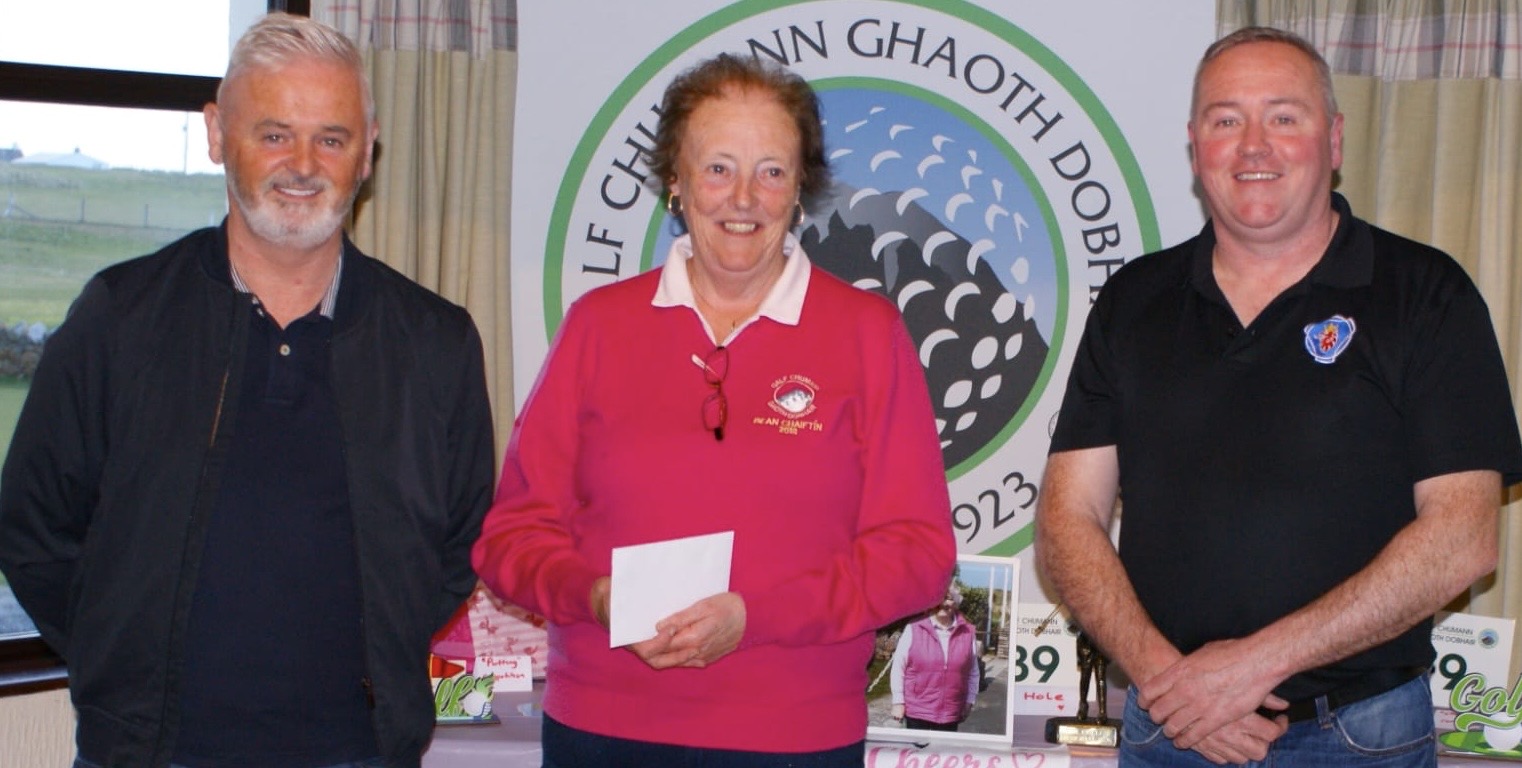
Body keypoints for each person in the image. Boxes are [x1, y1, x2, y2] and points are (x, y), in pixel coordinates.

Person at [0, 13, 495, 768]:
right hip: (148, 754)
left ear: (368, 150)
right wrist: (118, 652)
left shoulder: (437, 343)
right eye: (274, 134)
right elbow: (32, 525)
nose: (303, 165)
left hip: (358, 753)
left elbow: (457, 547)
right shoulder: (120, 317)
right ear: (216, 132)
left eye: (331, 138)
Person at [1034, 25, 1522, 768]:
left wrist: (1250, 668)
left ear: (1335, 139)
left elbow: (1463, 538)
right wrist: (1177, 687)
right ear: (1195, 145)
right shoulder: (1133, 300)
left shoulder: (1426, 293)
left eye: (1283, 117)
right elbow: (1067, 521)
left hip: (1359, 739)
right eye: (1226, 120)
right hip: (1168, 728)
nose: (1253, 146)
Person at [471, 52, 955, 766]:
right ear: (676, 180)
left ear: (800, 188)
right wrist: (595, 598)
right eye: (718, 168)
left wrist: (756, 618)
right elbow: (511, 537)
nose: (744, 198)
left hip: (795, 737)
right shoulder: (599, 326)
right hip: (603, 731)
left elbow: (916, 555)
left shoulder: (867, 335)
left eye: (772, 171)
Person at [889, 583, 980, 732]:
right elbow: (898, 668)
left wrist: (969, 701)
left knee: (945, 748)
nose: (943, 603)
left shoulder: (968, 633)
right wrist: (898, 702)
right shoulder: (914, 628)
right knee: (917, 747)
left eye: (948, 598)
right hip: (917, 710)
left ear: (956, 603)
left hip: (950, 712)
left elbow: (973, 672)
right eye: (938, 598)